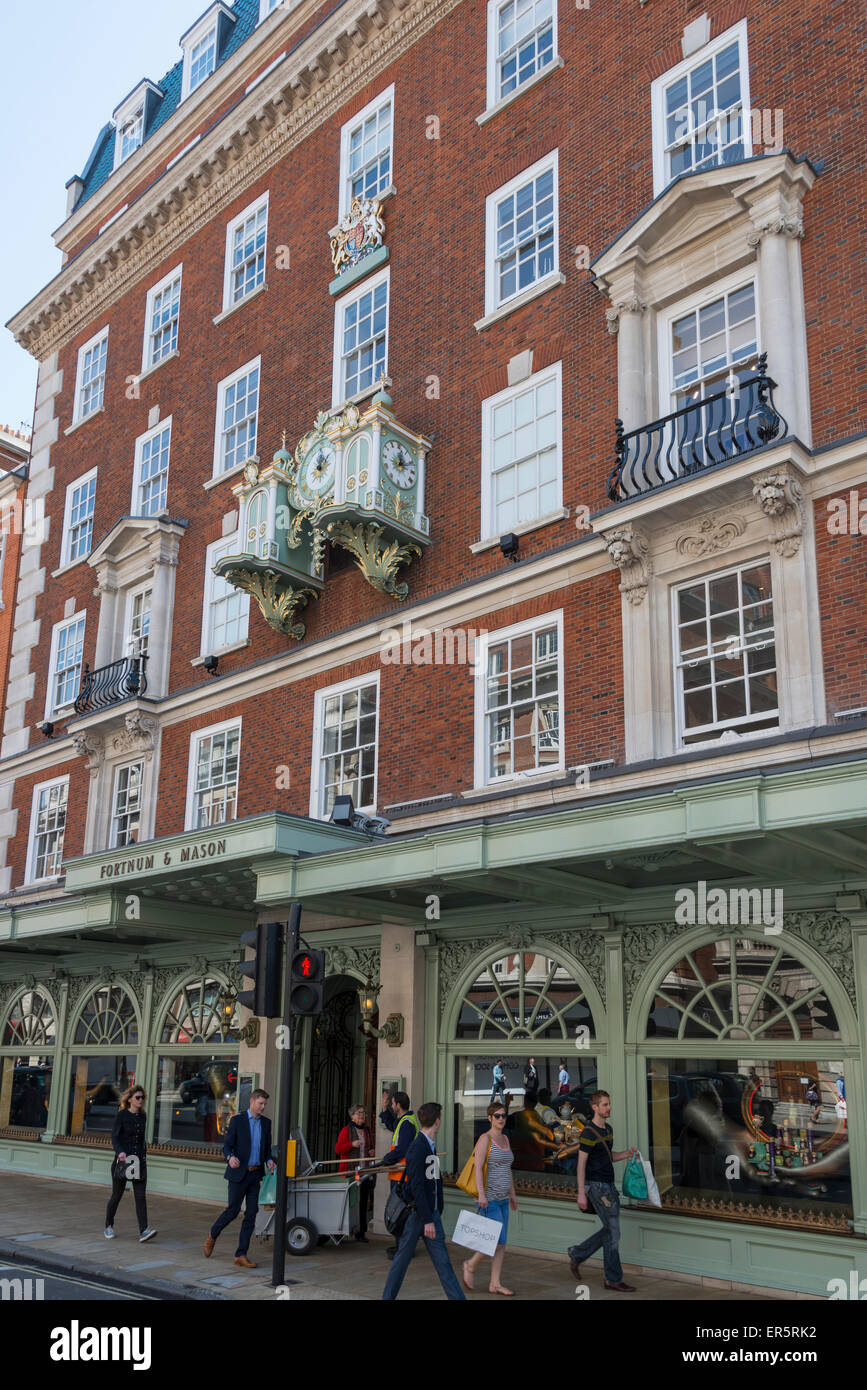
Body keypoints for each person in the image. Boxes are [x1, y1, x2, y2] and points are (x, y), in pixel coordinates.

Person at [382, 1102, 465, 1300]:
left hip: (430, 1215)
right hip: (418, 1217)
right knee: (401, 1263)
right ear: (438, 1121)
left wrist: (436, 1211)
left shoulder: (428, 1145)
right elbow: (416, 1187)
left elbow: (433, 1181)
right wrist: (428, 1218)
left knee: (443, 1264)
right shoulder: (418, 1147)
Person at [566, 1089, 637, 1293]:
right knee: (613, 1231)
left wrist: (626, 1154)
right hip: (596, 1186)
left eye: (609, 1104)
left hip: (608, 1185)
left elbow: (608, 1157)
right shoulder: (588, 1133)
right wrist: (581, 1193)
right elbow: (581, 1164)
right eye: (604, 1105)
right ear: (594, 1107)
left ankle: (578, 1253)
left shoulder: (608, 1130)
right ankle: (613, 1278)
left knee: (610, 1230)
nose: (609, 1107)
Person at [204, 1088, 276, 1268]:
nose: (263, 1107)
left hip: (256, 1174)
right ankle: (213, 1233)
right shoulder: (237, 1121)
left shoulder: (266, 1123)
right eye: (260, 1103)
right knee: (233, 1211)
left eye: (265, 1104)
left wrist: (269, 1161)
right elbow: (227, 1147)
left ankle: (241, 1254)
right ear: (252, 1102)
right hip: (238, 1174)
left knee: (251, 1214)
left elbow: (267, 1149)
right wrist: (230, 1158)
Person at [462, 1100, 519, 1295]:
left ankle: (495, 1283)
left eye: (504, 1115)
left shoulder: (505, 1139)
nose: (501, 1119)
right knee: (492, 1240)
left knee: (501, 1243)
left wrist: (512, 1194)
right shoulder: (485, 1139)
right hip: (490, 1199)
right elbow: (477, 1168)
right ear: (489, 1118)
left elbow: (507, 1169)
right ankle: (470, 1265)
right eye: (497, 1116)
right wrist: (481, 1194)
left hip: (503, 1198)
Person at [105, 1085, 156, 1243]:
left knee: (140, 1197)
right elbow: (115, 1137)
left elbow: (140, 1141)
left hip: (138, 1162)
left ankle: (144, 1230)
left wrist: (143, 1157)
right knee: (117, 1195)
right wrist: (120, 1152)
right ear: (130, 1099)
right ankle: (108, 1225)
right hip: (122, 1161)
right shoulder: (122, 1115)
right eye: (138, 1097)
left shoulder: (143, 1116)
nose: (141, 1100)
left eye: (142, 1098)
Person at [371, 1090, 419, 1257]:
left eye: (392, 1104)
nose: (392, 1106)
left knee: (400, 1212)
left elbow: (402, 1149)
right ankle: (402, 1246)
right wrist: (384, 1109)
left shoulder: (407, 1123)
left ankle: (404, 1248)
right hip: (399, 1174)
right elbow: (392, 1125)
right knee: (400, 1211)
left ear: (398, 1105)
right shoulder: (404, 1121)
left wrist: (386, 1159)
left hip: (402, 1175)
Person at [335, 1102, 375, 1242]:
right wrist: (351, 1144)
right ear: (352, 1116)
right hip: (349, 1172)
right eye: (359, 1113)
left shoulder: (367, 1130)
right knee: (348, 1202)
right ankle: (341, 1231)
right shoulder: (346, 1130)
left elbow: (369, 1147)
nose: (362, 1115)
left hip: (364, 1171)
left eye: (363, 1112)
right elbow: (338, 1149)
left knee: (363, 1202)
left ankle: (361, 1232)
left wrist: (371, 1151)